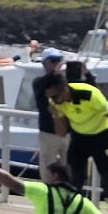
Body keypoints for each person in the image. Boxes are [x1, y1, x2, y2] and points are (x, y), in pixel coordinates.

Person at [45, 73, 108, 214]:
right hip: (79, 138)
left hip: (102, 137)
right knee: (74, 180)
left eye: (56, 96)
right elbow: (61, 132)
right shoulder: (55, 102)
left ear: (64, 89)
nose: (54, 100)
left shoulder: (90, 94)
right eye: (51, 97)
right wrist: (56, 114)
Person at [31, 48, 68, 177]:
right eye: (52, 60)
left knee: (69, 167)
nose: (56, 63)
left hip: (67, 132)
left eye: (58, 60)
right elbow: (41, 85)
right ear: (44, 63)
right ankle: (48, 188)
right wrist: (54, 72)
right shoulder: (38, 82)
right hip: (48, 132)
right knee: (48, 168)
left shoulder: (65, 83)